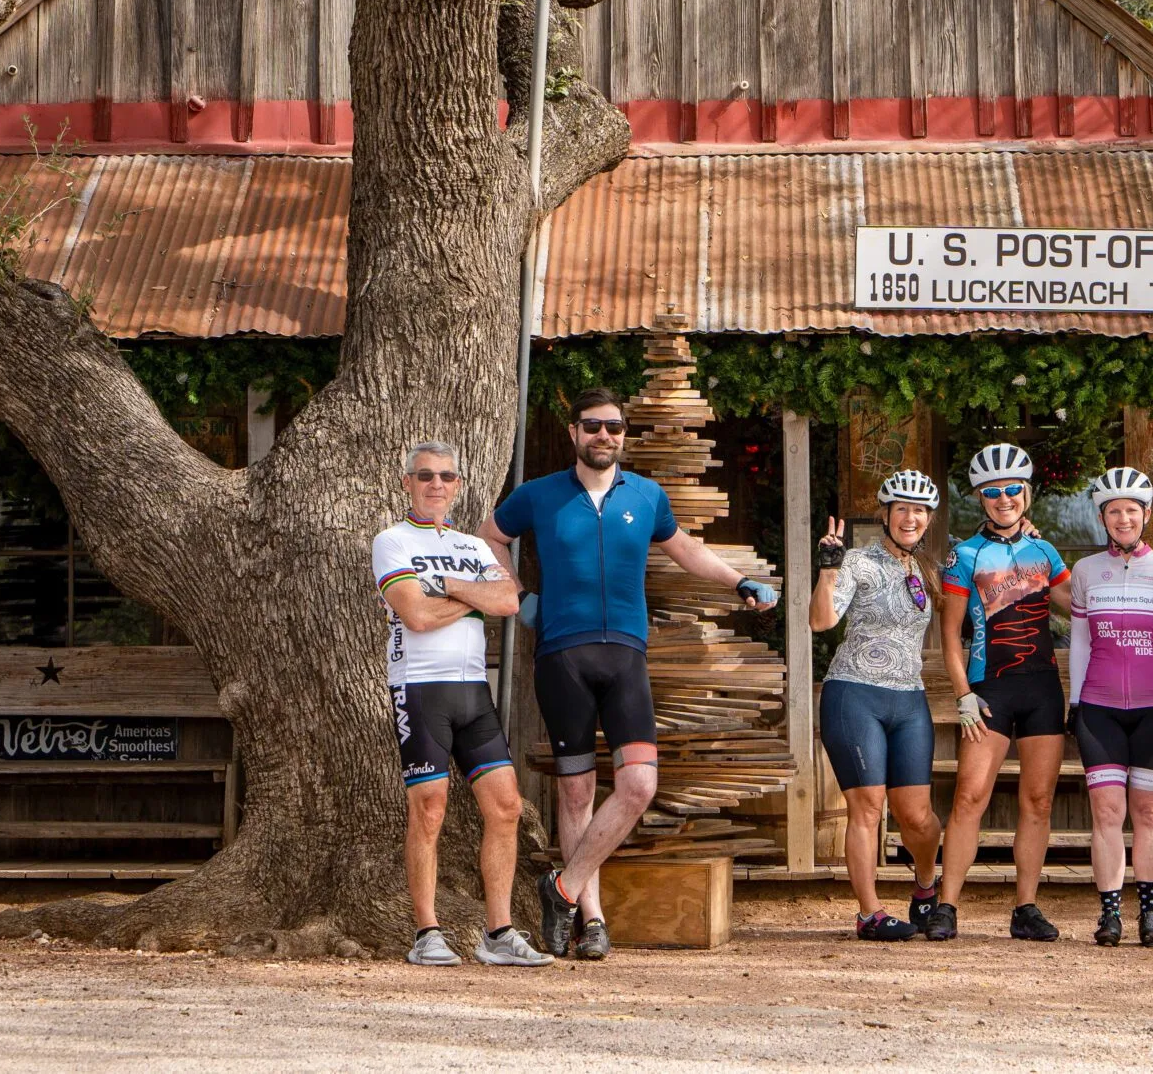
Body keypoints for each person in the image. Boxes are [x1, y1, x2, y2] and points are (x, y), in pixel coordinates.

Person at [488, 386, 779, 959]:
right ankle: (590, 920)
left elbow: (686, 549)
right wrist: (520, 599)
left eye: (614, 428)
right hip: (560, 655)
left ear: (624, 435)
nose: (604, 436)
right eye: (593, 426)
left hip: (625, 656)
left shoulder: (645, 496)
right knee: (575, 794)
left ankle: (562, 889)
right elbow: (491, 538)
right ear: (574, 433)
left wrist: (737, 582)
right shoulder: (538, 495)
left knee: (639, 785)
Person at [368, 440, 552, 967]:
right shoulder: (391, 541)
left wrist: (444, 585)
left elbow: (509, 600)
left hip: (475, 691)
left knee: (506, 807)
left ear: (459, 485)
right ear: (407, 483)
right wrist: (473, 595)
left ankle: (498, 934)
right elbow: (416, 618)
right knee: (430, 810)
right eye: (425, 476)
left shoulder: (475, 546)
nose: (436, 485)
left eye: (447, 477)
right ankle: (427, 933)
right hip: (420, 688)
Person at [931, 443, 1072, 942]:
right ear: (979, 498)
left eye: (1012, 489)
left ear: (1027, 493)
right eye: (992, 492)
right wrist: (963, 693)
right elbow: (949, 633)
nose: (1003, 498)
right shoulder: (966, 554)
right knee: (970, 796)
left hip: (1042, 688)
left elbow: (1076, 606)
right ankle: (947, 906)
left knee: (1038, 800)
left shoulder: (1046, 551)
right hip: (988, 690)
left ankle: (1026, 907)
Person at [1066, 466, 1153, 949]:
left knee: (1149, 813)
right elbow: (1081, 641)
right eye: (1113, 511)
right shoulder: (1086, 572)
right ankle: (1109, 916)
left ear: (1145, 515)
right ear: (1102, 517)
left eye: (1131, 510)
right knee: (1106, 810)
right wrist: (1074, 700)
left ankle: (1150, 915)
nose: (1122, 518)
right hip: (1099, 708)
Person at [810, 470, 946, 942]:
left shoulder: (925, 568)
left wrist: (1027, 528)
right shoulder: (857, 562)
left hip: (909, 699)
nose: (912, 518)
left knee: (919, 818)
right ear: (886, 514)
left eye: (920, 511)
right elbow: (821, 621)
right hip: (855, 694)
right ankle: (869, 912)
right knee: (866, 808)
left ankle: (926, 887)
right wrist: (828, 568)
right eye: (903, 509)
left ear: (928, 519)